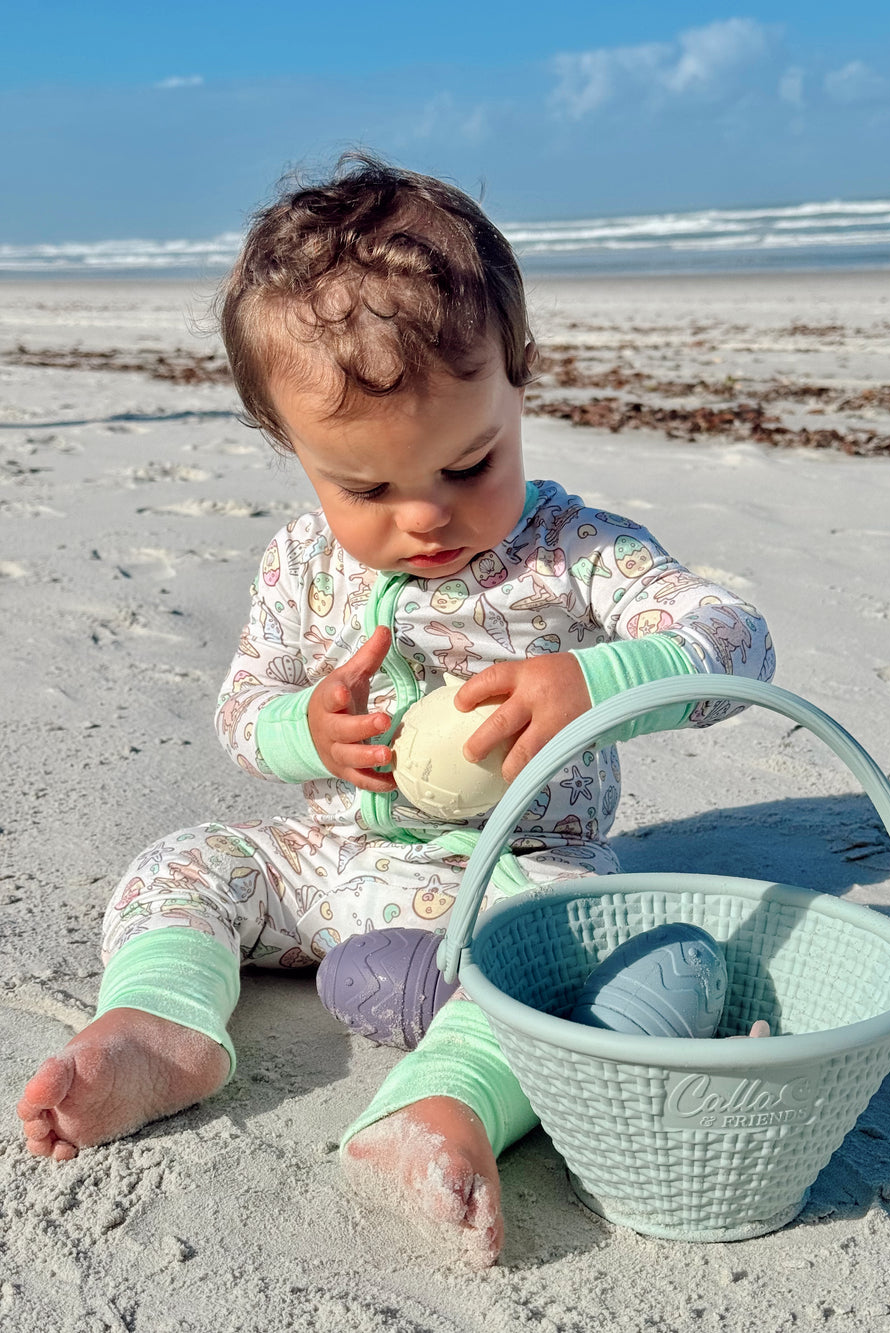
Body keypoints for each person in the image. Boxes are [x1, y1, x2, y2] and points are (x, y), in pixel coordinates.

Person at [17, 153, 775, 1268]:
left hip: (519, 874)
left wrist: (597, 681)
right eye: (365, 487)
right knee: (187, 861)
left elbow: (735, 638)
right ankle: (158, 1025)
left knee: (584, 941)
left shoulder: (573, 550)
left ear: (519, 380)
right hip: (332, 867)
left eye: (470, 463)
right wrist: (308, 730)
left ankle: (444, 1104)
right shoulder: (300, 566)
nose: (425, 517)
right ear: (291, 445)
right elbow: (242, 708)